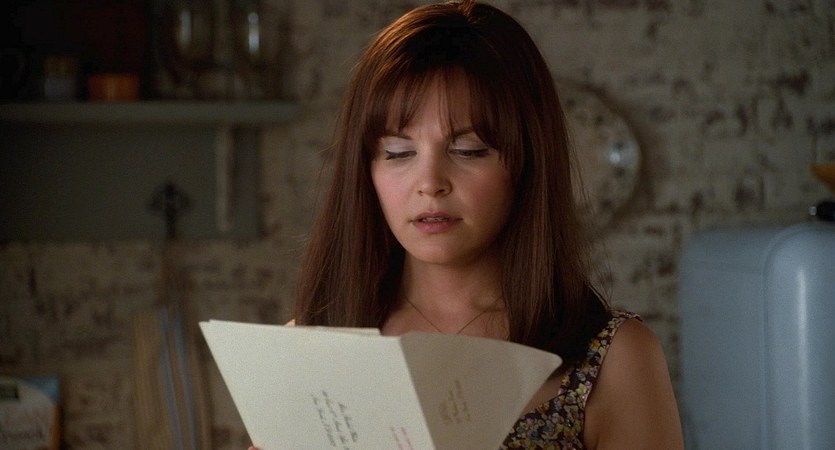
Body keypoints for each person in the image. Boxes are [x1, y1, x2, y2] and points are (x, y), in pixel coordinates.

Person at [254, 0, 684, 448]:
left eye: (469, 150)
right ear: (367, 172)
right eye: (398, 153)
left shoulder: (613, 357)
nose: (429, 183)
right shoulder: (308, 350)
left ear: (526, 162)